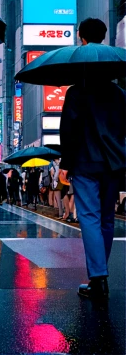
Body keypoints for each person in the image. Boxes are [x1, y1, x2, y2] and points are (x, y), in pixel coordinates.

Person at [60, 17, 126, 300]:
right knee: (107, 218)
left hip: (85, 161)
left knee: (88, 216)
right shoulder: (119, 93)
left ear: (82, 39)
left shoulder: (76, 92)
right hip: (113, 163)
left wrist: (65, 164)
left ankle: (98, 278)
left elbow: (69, 131)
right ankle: (99, 274)